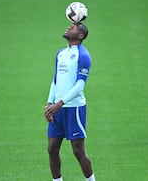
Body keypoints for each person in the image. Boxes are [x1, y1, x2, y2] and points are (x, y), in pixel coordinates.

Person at [44, 23, 95, 181]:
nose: (68, 28)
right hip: (57, 109)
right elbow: (56, 79)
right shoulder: (60, 53)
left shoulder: (83, 55)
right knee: (52, 149)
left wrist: (58, 104)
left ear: (80, 36)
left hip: (74, 109)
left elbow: (80, 85)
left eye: (73, 28)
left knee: (78, 150)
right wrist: (49, 103)